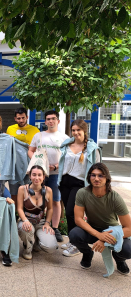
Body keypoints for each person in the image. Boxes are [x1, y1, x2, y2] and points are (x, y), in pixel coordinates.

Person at [69, 163, 131, 275]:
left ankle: (119, 259)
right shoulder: (82, 193)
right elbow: (78, 219)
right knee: (74, 235)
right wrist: (98, 235)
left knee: (129, 249)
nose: (96, 178)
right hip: (93, 229)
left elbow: (129, 228)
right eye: (93, 175)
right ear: (89, 177)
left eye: (101, 175)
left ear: (107, 178)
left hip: (112, 231)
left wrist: (104, 239)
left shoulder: (115, 197)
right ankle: (87, 253)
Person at [58, 120, 101, 257]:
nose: (76, 133)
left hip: (79, 184)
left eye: (78, 130)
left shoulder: (92, 148)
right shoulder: (66, 145)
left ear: (84, 131)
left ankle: (76, 244)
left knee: (72, 212)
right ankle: (72, 240)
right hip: (64, 181)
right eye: (73, 130)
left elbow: (98, 167)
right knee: (68, 212)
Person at [28, 110, 69, 242]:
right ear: (45, 121)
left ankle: (55, 227)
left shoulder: (64, 138)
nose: (51, 121)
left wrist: (56, 166)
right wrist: (36, 162)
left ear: (58, 121)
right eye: (48, 119)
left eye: (53, 119)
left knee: (55, 200)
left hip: (56, 174)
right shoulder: (38, 135)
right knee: (38, 199)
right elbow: (30, 150)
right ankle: (39, 224)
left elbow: (68, 155)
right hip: (40, 174)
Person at [17, 165, 58, 260]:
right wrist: (25, 220)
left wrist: (47, 223)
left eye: (39, 175)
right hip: (26, 220)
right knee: (27, 229)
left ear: (44, 177)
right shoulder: (22, 189)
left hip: (41, 222)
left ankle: (37, 242)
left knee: (51, 247)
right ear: (30, 176)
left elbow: (51, 209)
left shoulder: (48, 190)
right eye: (34, 175)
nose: (36, 178)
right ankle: (27, 248)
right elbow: (19, 208)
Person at [6, 107, 40, 203]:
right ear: (15, 118)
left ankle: (29, 212)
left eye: (23, 118)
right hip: (15, 165)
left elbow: (38, 147)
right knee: (14, 191)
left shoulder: (35, 130)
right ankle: (16, 213)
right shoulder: (10, 129)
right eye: (19, 118)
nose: (21, 120)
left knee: (29, 189)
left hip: (29, 164)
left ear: (27, 117)